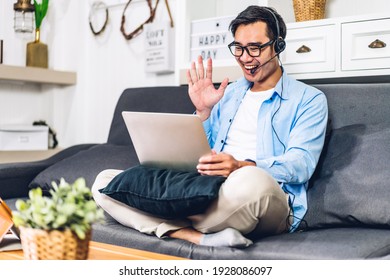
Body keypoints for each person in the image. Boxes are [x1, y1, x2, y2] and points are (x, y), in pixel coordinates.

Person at [92, 5, 328, 248]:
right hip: (207, 190)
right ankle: (195, 235)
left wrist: (239, 166)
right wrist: (203, 113)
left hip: (261, 194)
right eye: (238, 48)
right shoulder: (227, 94)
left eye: (255, 48)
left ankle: (170, 215)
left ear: (278, 45)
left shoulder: (309, 99)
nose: (245, 58)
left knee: (252, 180)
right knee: (104, 183)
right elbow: (197, 155)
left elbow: (301, 164)